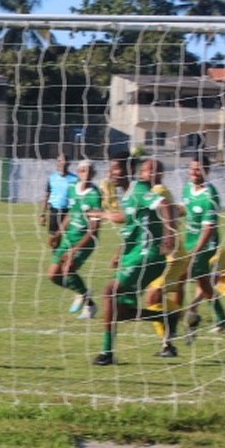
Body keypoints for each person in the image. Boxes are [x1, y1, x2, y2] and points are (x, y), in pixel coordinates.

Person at [89, 154, 176, 365]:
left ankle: (107, 353)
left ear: (128, 169)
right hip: (133, 257)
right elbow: (129, 221)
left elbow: (164, 204)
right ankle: (165, 317)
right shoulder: (128, 195)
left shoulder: (139, 190)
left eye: (116, 168)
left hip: (149, 255)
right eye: (110, 169)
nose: (111, 173)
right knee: (121, 312)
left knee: (110, 291)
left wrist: (169, 235)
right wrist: (119, 250)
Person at [141, 159, 187, 354]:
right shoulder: (150, 194)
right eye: (146, 169)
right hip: (164, 256)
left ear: (160, 174)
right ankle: (168, 343)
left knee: (153, 296)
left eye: (154, 170)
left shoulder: (158, 191)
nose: (150, 173)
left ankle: (177, 318)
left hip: (173, 256)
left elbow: (171, 213)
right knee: (155, 297)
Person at [47, 160, 101, 320]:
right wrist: (58, 234)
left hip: (86, 240)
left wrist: (75, 250)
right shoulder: (72, 188)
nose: (86, 174)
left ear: (94, 174)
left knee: (68, 268)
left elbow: (94, 228)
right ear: (78, 173)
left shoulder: (94, 195)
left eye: (90, 171)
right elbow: (71, 213)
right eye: (83, 171)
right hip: (68, 237)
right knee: (53, 276)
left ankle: (85, 300)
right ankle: (84, 295)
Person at [181, 153, 225, 337]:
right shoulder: (187, 188)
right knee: (203, 281)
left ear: (206, 171)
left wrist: (195, 252)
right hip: (190, 242)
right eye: (191, 169)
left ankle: (185, 318)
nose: (194, 173)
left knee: (182, 276)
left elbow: (209, 230)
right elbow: (187, 207)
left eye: (198, 169)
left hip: (205, 245)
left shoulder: (210, 195)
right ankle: (219, 317)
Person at [40, 154, 79, 246]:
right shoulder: (52, 178)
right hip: (54, 210)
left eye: (63, 161)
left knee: (69, 238)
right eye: (59, 161)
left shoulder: (75, 179)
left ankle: (67, 257)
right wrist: (43, 214)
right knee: (54, 239)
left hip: (69, 212)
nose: (61, 163)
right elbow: (47, 196)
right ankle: (57, 258)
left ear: (68, 163)